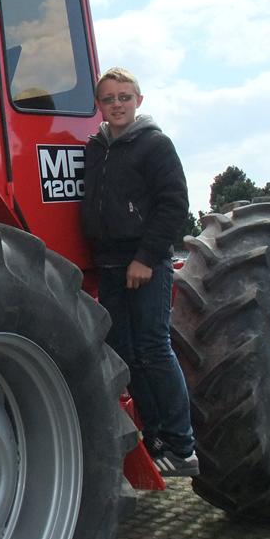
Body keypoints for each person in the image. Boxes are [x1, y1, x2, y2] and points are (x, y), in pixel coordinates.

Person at [81, 66, 198, 478]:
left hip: (144, 263)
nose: (117, 105)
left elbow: (173, 205)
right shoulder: (97, 148)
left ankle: (182, 445)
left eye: (124, 97)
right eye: (109, 99)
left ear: (139, 101)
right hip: (110, 265)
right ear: (98, 105)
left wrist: (146, 258)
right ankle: (158, 439)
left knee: (153, 347)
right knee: (126, 354)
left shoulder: (154, 145)